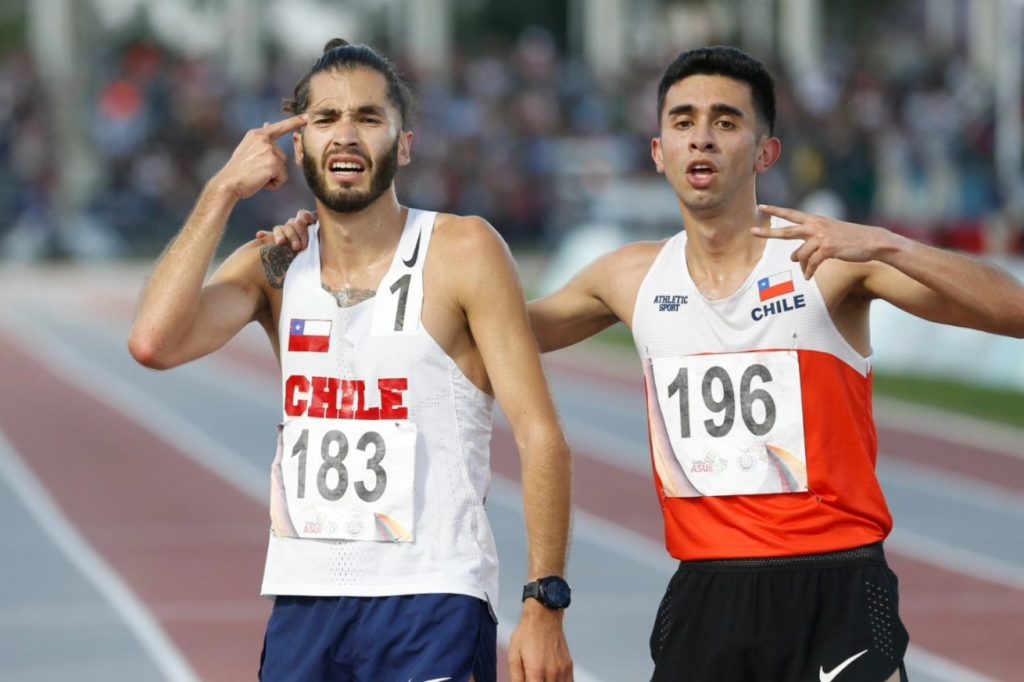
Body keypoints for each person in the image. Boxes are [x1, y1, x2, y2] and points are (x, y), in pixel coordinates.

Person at [267, 44, 1024, 681]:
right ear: (658, 153)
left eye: (725, 123)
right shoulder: (628, 279)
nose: (702, 140)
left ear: (765, 152)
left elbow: (1013, 312)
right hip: (707, 590)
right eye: (683, 124)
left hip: (835, 580)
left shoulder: (827, 263)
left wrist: (888, 243)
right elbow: (488, 331)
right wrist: (347, 279)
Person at [129, 39, 574, 682]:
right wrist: (224, 189)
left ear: (405, 143)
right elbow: (153, 342)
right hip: (305, 601)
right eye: (325, 119)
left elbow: (541, 435)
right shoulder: (274, 267)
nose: (346, 136)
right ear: (298, 143)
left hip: (431, 598)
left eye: (368, 118)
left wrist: (544, 602)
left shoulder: (463, 250)